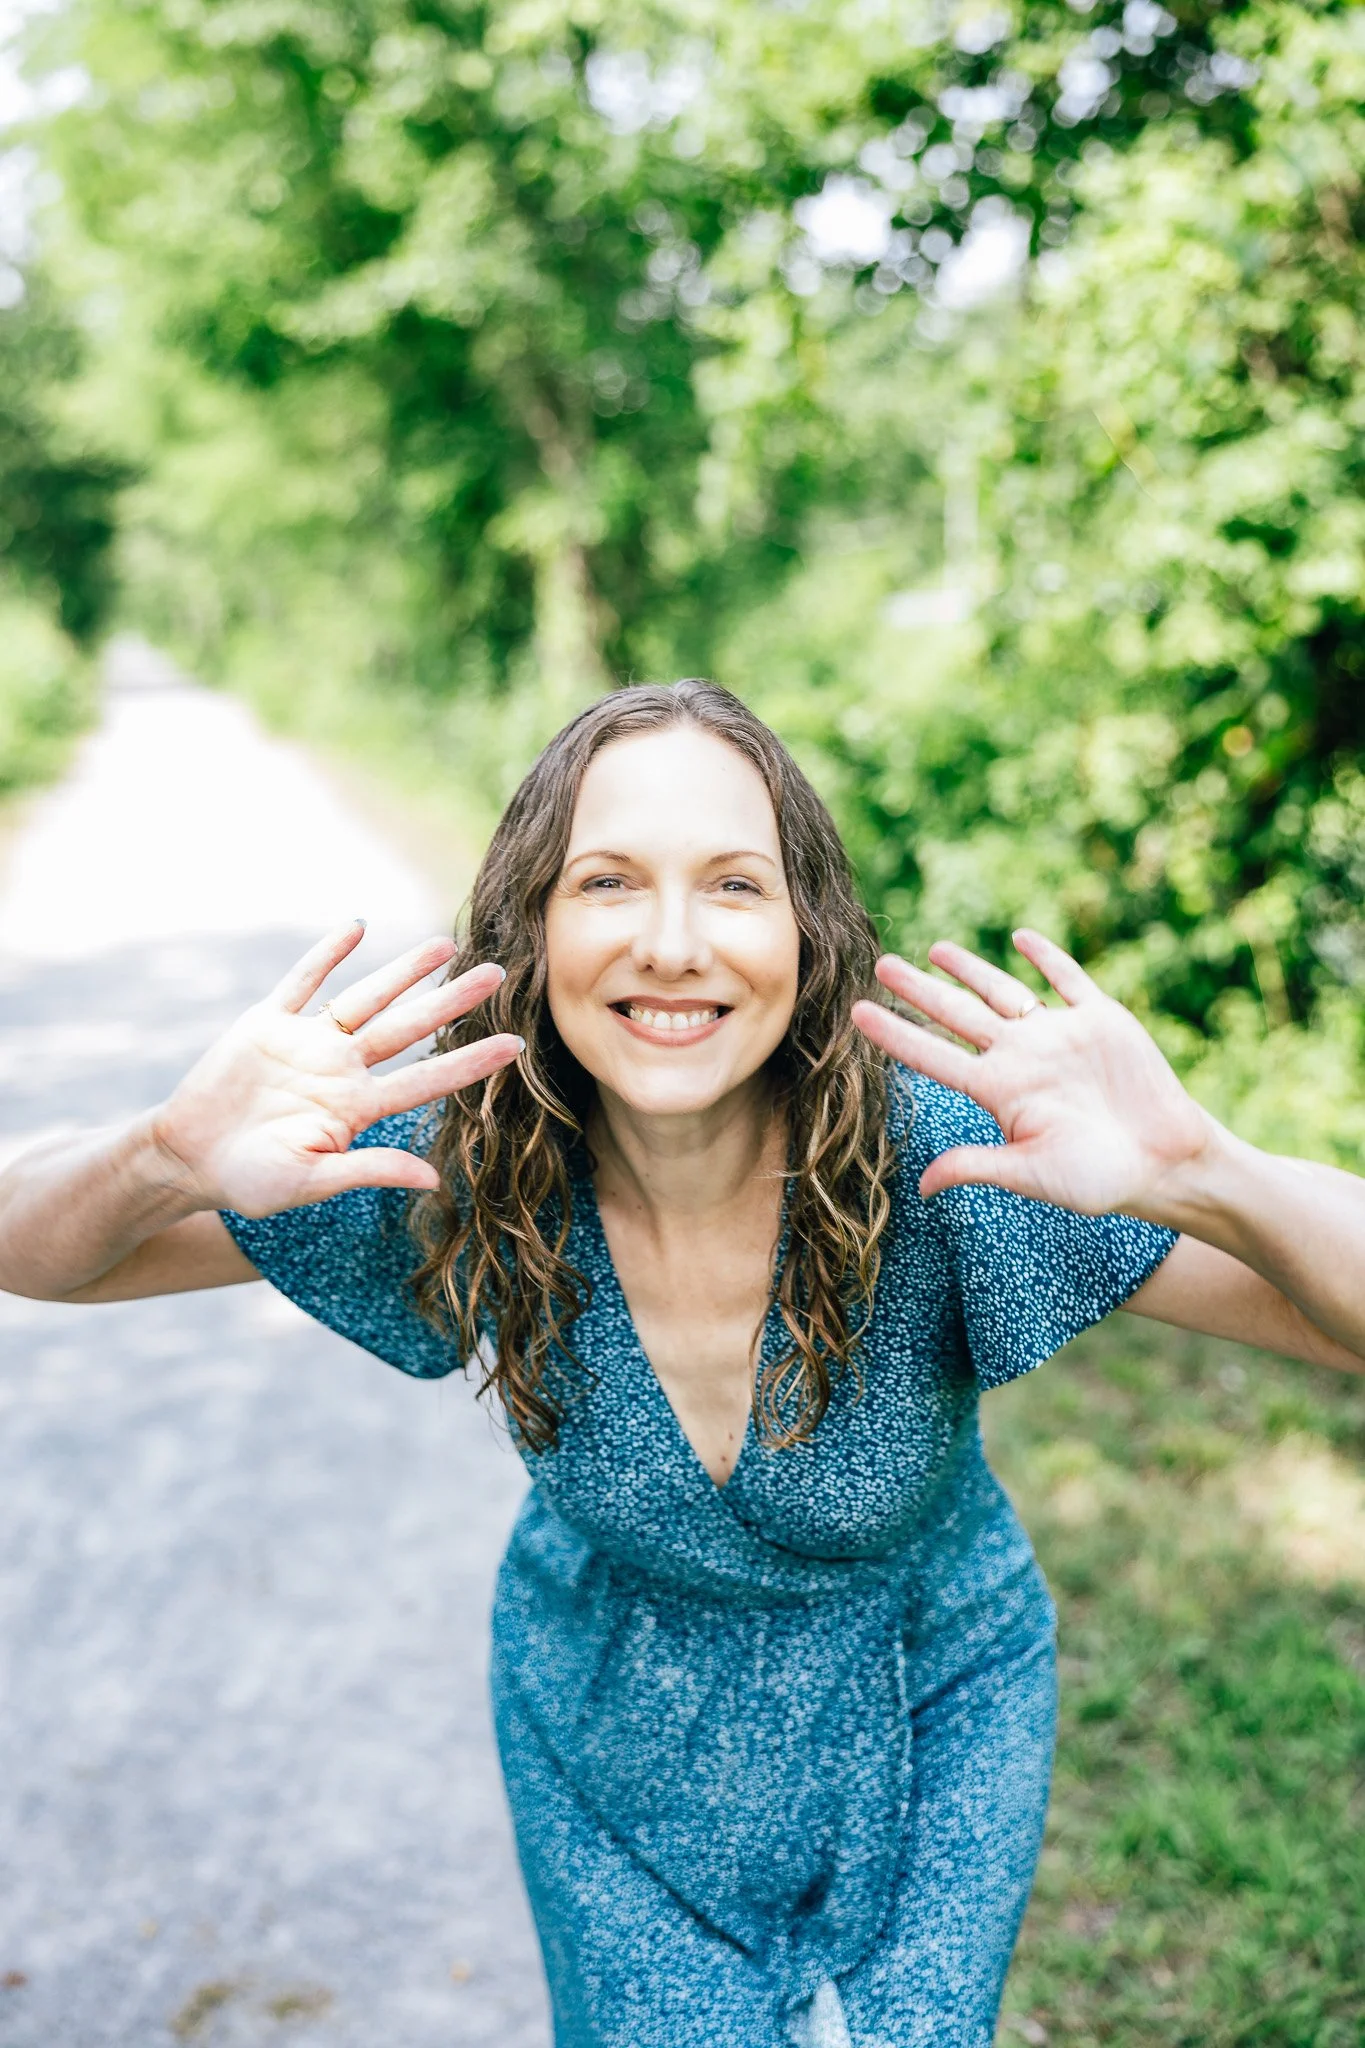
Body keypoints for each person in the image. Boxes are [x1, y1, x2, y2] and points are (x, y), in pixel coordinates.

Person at [2, 678, 1362, 2048]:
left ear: (806, 932)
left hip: (926, 1719)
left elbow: (1333, 1320)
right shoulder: (464, 1163)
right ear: (532, 928)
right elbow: (38, 1245)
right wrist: (164, 1154)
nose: (669, 944)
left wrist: (1208, 1172)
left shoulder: (939, 1161)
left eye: (732, 885)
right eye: (606, 882)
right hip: (609, 1759)